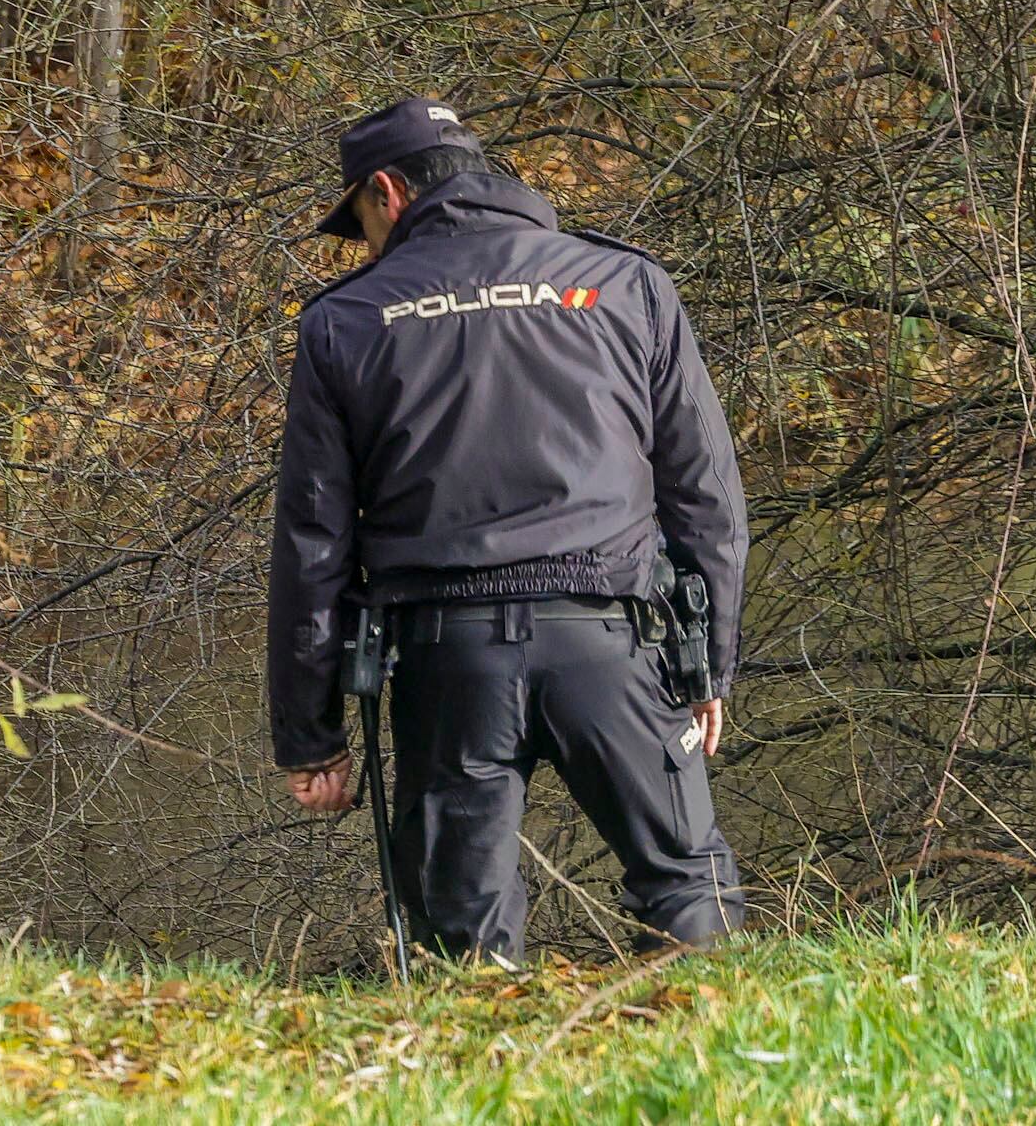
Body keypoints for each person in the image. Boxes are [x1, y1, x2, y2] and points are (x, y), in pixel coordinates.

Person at [268, 96, 749, 958]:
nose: (366, 245)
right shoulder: (625, 284)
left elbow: (314, 546)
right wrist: (706, 660)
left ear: (388, 191)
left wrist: (311, 733)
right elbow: (705, 494)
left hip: (449, 668)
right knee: (685, 882)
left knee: (464, 929)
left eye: (361, 223)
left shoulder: (344, 322)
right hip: (614, 640)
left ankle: (489, 1079)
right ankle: (717, 1070)